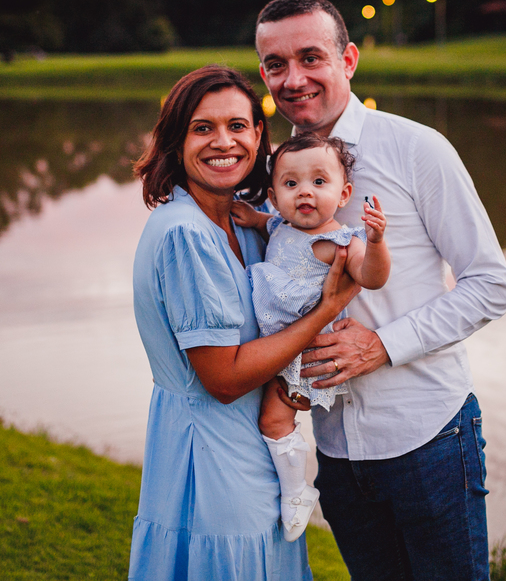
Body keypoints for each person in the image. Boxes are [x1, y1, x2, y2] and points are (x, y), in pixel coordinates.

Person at [254, 0, 506, 580]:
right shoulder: (275, 172)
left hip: (428, 434)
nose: (293, 79)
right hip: (335, 449)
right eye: (275, 64)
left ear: (348, 60)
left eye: (310, 57)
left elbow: (490, 284)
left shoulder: (416, 148)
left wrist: (382, 346)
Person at [129, 65, 360, 580]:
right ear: (176, 141)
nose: (223, 142)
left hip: (255, 446)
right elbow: (225, 379)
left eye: (237, 125)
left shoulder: (246, 222)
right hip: (212, 456)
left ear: (258, 136)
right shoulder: (186, 234)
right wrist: (326, 311)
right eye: (202, 128)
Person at [231, 132, 390, 542]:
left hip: (303, 355)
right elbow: (270, 224)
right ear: (274, 196)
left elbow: (372, 277)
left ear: (343, 194)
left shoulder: (340, 242)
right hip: (275, 343)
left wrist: (375, 243)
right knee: (266, 417)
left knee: (274, 419)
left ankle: (297, 492)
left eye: (319, 182)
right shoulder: (281, 224)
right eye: (291, 183)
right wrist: (252, 217)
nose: (305, 191)